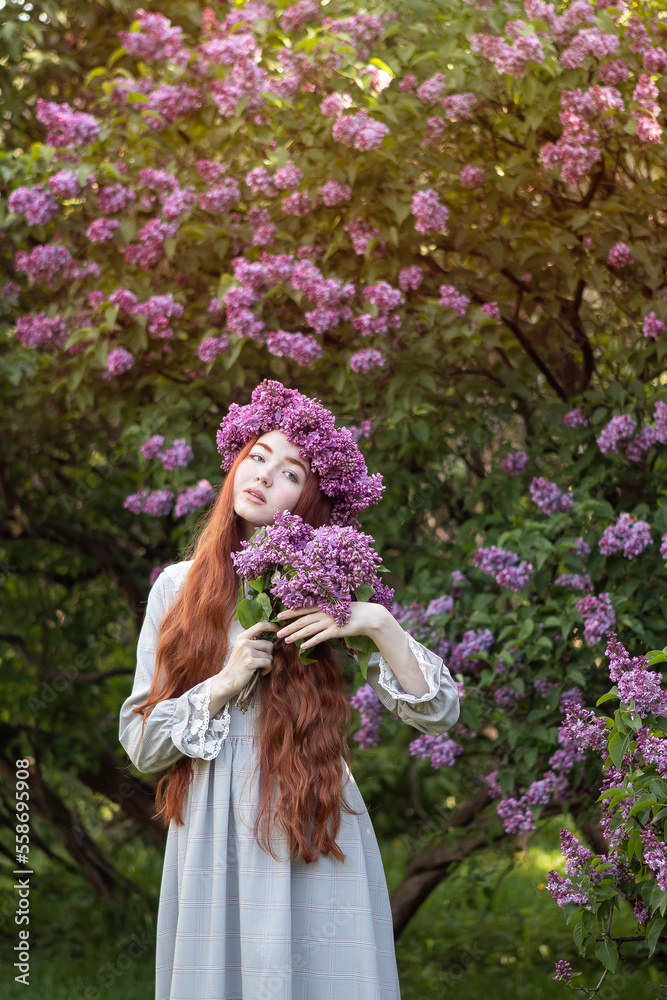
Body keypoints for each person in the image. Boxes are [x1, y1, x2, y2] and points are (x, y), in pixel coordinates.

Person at [118, 379, 460, 1000]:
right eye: (257, 457)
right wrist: (223, 682)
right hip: (211, 827)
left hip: (309, 815)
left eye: (291, 473)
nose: (264, 476)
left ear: (312, 501)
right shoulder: (178, 587)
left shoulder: (326, 584)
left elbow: (438, 713)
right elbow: (142, 744)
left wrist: (376, 622)